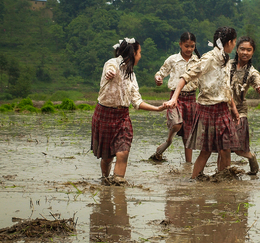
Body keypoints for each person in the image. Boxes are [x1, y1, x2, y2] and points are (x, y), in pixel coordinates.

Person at [165, 27, 240, 179]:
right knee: (205, 150)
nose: (235, 45)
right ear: (230, 42)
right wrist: (174, 98)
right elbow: (185, 77)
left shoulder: (225, 59)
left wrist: (233, 107)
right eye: (235, 42)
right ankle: (194, 179)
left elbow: (225, 86)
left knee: (225, 148)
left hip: (223, 108)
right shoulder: (209, 58)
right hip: (208, 109)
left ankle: (223, 178)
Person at [91, 38, 167, 185]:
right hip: (104, 114)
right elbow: (110, 69)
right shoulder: (112, 63)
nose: (140, 56)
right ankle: (105, 181)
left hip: (122, 117)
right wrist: (110, 73)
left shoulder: (131, 75)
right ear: (133, 53)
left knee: (123, 152)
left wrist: (157, 108)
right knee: (107, 158)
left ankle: (118, 183)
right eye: (139, 52)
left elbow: (137, 101)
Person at [151, 32, 201, 162]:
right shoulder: (172, 59)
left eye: (192, 46)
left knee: (188, 135)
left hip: (191, 98)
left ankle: (188, 164)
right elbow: (160, 73)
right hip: (175, 98)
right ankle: (169, 141)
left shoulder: (198, 61)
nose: (189, 49)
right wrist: (158, 79)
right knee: (177, 124)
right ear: (180, 45)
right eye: (186, 46)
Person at [228, 36, 260, 174]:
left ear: (253, 52)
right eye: (242, 49)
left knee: (238, 148)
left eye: (249, 50)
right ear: (237, 50)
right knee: (223, 147)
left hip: (240, 111)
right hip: (223, 110)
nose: (245, 52)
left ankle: (251, 158)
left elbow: (258, 82)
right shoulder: (227, 65)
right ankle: (224, 173)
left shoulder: (252, 72)